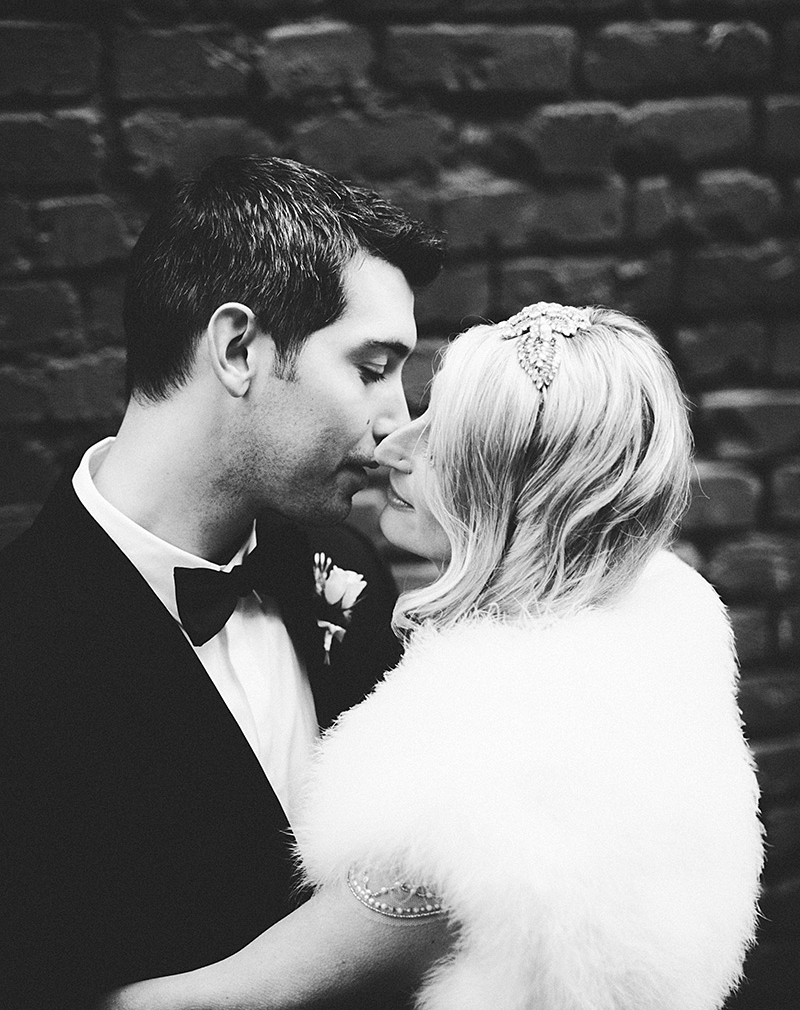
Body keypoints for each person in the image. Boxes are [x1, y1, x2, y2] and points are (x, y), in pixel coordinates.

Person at [102, 303, 764, 1010]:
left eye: (442, 435)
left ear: (517, 493)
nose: (392, 447)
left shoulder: (469, 800)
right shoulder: (648, 659)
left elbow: (206, 1002)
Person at [0, 155, 445, 1009]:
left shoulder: (350, 572)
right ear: (239, 348)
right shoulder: (21, 645)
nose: (399, 426)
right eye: (371, 368)